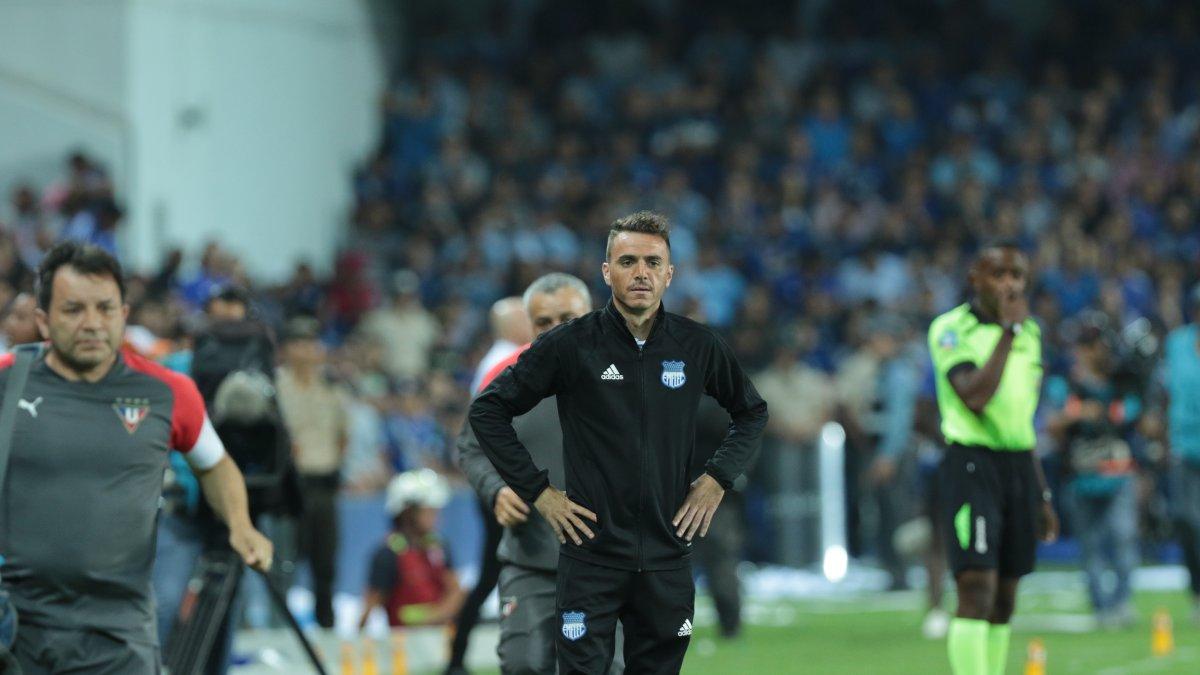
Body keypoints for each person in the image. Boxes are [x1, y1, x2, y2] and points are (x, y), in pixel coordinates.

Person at [470, 211, 768, 674]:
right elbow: (486, 411)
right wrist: (540, 494)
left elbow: (752, 411)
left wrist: (715, 479)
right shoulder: (570, 344)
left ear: (669, 274)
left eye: (653, 262)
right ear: (607, 272)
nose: (641, 272)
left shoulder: (697, 345)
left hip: (668, 555)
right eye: (628, 261)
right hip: (591, 557)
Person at [0, 241, 272, 674]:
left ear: (123, 315)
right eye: (73, 310)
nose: (92, 324)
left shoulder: (168, 392)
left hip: (120, 639)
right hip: (17, 636)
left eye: (105, 309)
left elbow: (215, 464)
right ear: (43, 321)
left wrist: (240, 525)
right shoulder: (6, 382)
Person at [459, 272, 626, 674]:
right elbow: (472, 448)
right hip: (531, 558)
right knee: (523, 665)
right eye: (543, 322)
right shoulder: (504, 383)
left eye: (568, 317)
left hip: (610, 563)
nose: (556, 330)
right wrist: (497, 489)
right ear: (529, 327)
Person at [927, 240, 1059, 675]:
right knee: (976, 588)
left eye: (1016, 275)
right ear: (975, 280)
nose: (1008, 284)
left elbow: (1022, 421)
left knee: (1005, 596)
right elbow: (976, 397)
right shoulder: (950, 329)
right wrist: (1007, 332)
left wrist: (1041, 493)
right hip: (971, 464)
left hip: (1019, 466)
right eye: (998, 274)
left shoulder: (1032, 334)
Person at [447, 296, 532, 673]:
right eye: (528, 318)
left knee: (493, 570)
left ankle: (459, 654)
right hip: (502, 484)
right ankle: (461, 654)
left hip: (500, 482)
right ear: (511, 325)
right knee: (496, 569)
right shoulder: (503, 363)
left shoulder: (500, 359)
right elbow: (486, 429)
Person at [1046, 324, 1140, 628]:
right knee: (1091, 546)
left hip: (1118, 473)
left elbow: (1132, 414)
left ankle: (1122, 602)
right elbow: (1052, 424)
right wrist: (1074, 414)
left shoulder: (1123, 381)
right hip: (1081, 475)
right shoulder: (1066, 386)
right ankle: (1101, 607)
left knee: (1123, 537)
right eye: (1087, 346)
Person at [275, 315, 349, 629]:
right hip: (290, 485)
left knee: (326, 562)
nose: (307, 350)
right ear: (286, 349)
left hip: (324, 481)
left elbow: (343, 434)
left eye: (311, 342)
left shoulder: (331, 386)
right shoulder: (276, 385)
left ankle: (327, 626)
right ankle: (279, 630)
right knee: (286, 562)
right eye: (299, 343)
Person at [358, 469, 465, 628]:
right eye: (428, 510)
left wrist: (445, 611)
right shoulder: (387, 554)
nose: (436, 517)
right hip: (407, 644)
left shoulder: (439, 547)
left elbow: (456, 592)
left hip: (441, 637)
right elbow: (370, 607)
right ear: (408, 513)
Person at [1164, 285, 1200, 624]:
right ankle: (1197, 589)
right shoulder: (1176, 343)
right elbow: (1163, 389)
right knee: (1187, 520)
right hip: (1184, 444)